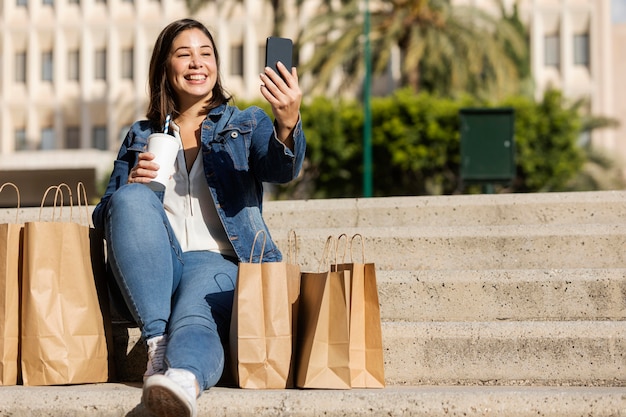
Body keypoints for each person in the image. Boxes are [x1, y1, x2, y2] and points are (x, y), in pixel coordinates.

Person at [92, 18, 305, 417]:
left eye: (205, 54)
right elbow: (104, 213)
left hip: (217, 263)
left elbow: (281, 169)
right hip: (154, 265)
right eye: (183, 54)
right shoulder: (140, 134)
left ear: (217, 66)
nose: (197, 63)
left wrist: (288, 121)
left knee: (195, 319)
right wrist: (131, 185)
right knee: (130, 199)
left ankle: (183, 380)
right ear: (165, 69)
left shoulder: (247, 123)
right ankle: (157, 344)